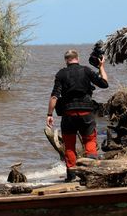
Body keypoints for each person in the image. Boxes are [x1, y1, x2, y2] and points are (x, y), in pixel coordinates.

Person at [46, 49, 109, 182]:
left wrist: (49, 114)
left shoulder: (61, 74)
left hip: (68, 113)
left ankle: (71, 175)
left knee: (69, 145)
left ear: (66, 60)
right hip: (86, 112)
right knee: (90, 141)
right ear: (78, 58)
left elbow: (54, 96)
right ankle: (90, 172)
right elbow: (104, 84)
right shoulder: (86, 70)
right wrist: (101, 67)